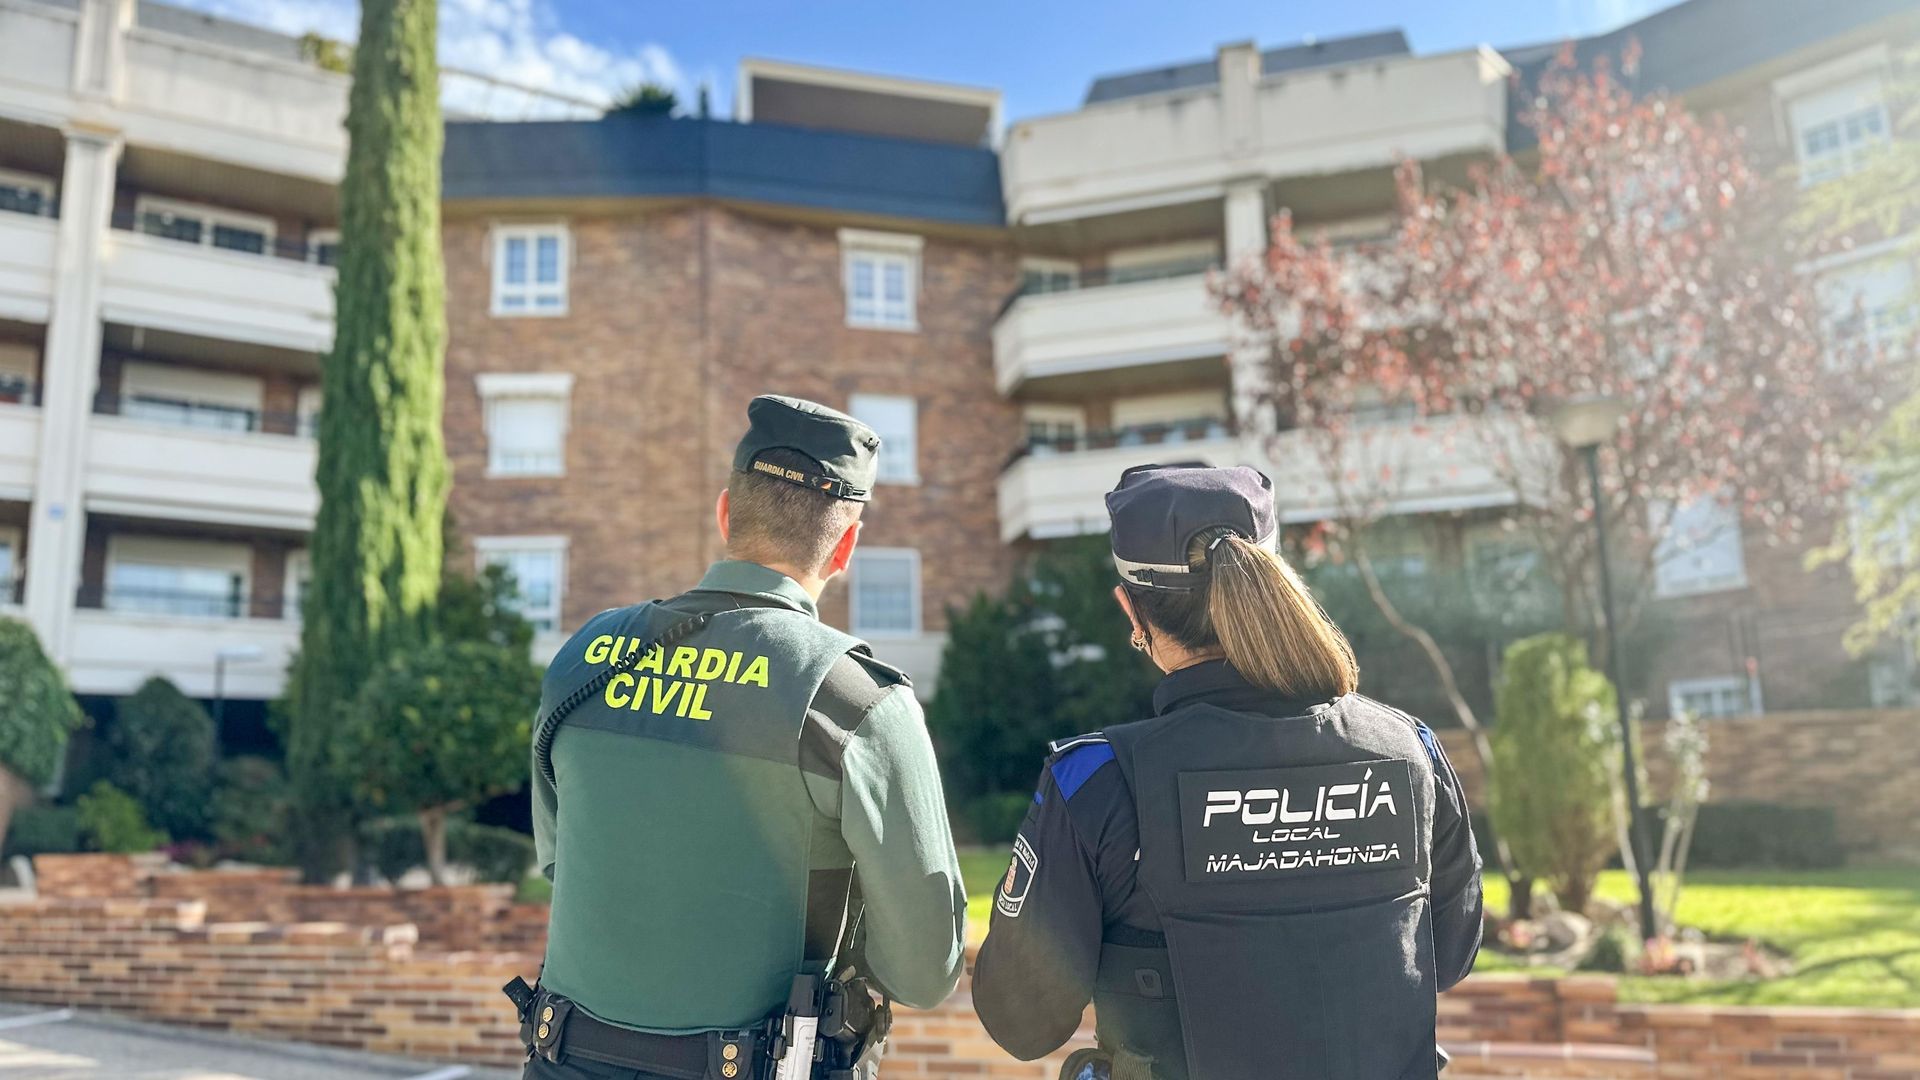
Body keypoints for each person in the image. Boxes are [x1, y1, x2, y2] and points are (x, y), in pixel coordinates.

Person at [972, 463, 1483, 1080]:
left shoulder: (1098, 779)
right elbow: (1450, 954)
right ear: (1275, 582)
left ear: (1132, 611)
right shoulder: (1410, 748)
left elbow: (1022, 1018)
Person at [511, 395, 967, 1080]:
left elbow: (560, 860)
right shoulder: (857, 700)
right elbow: (925, 973)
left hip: (564, 1059)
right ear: (845, 546)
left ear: (726, 513)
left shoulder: (587, 655)